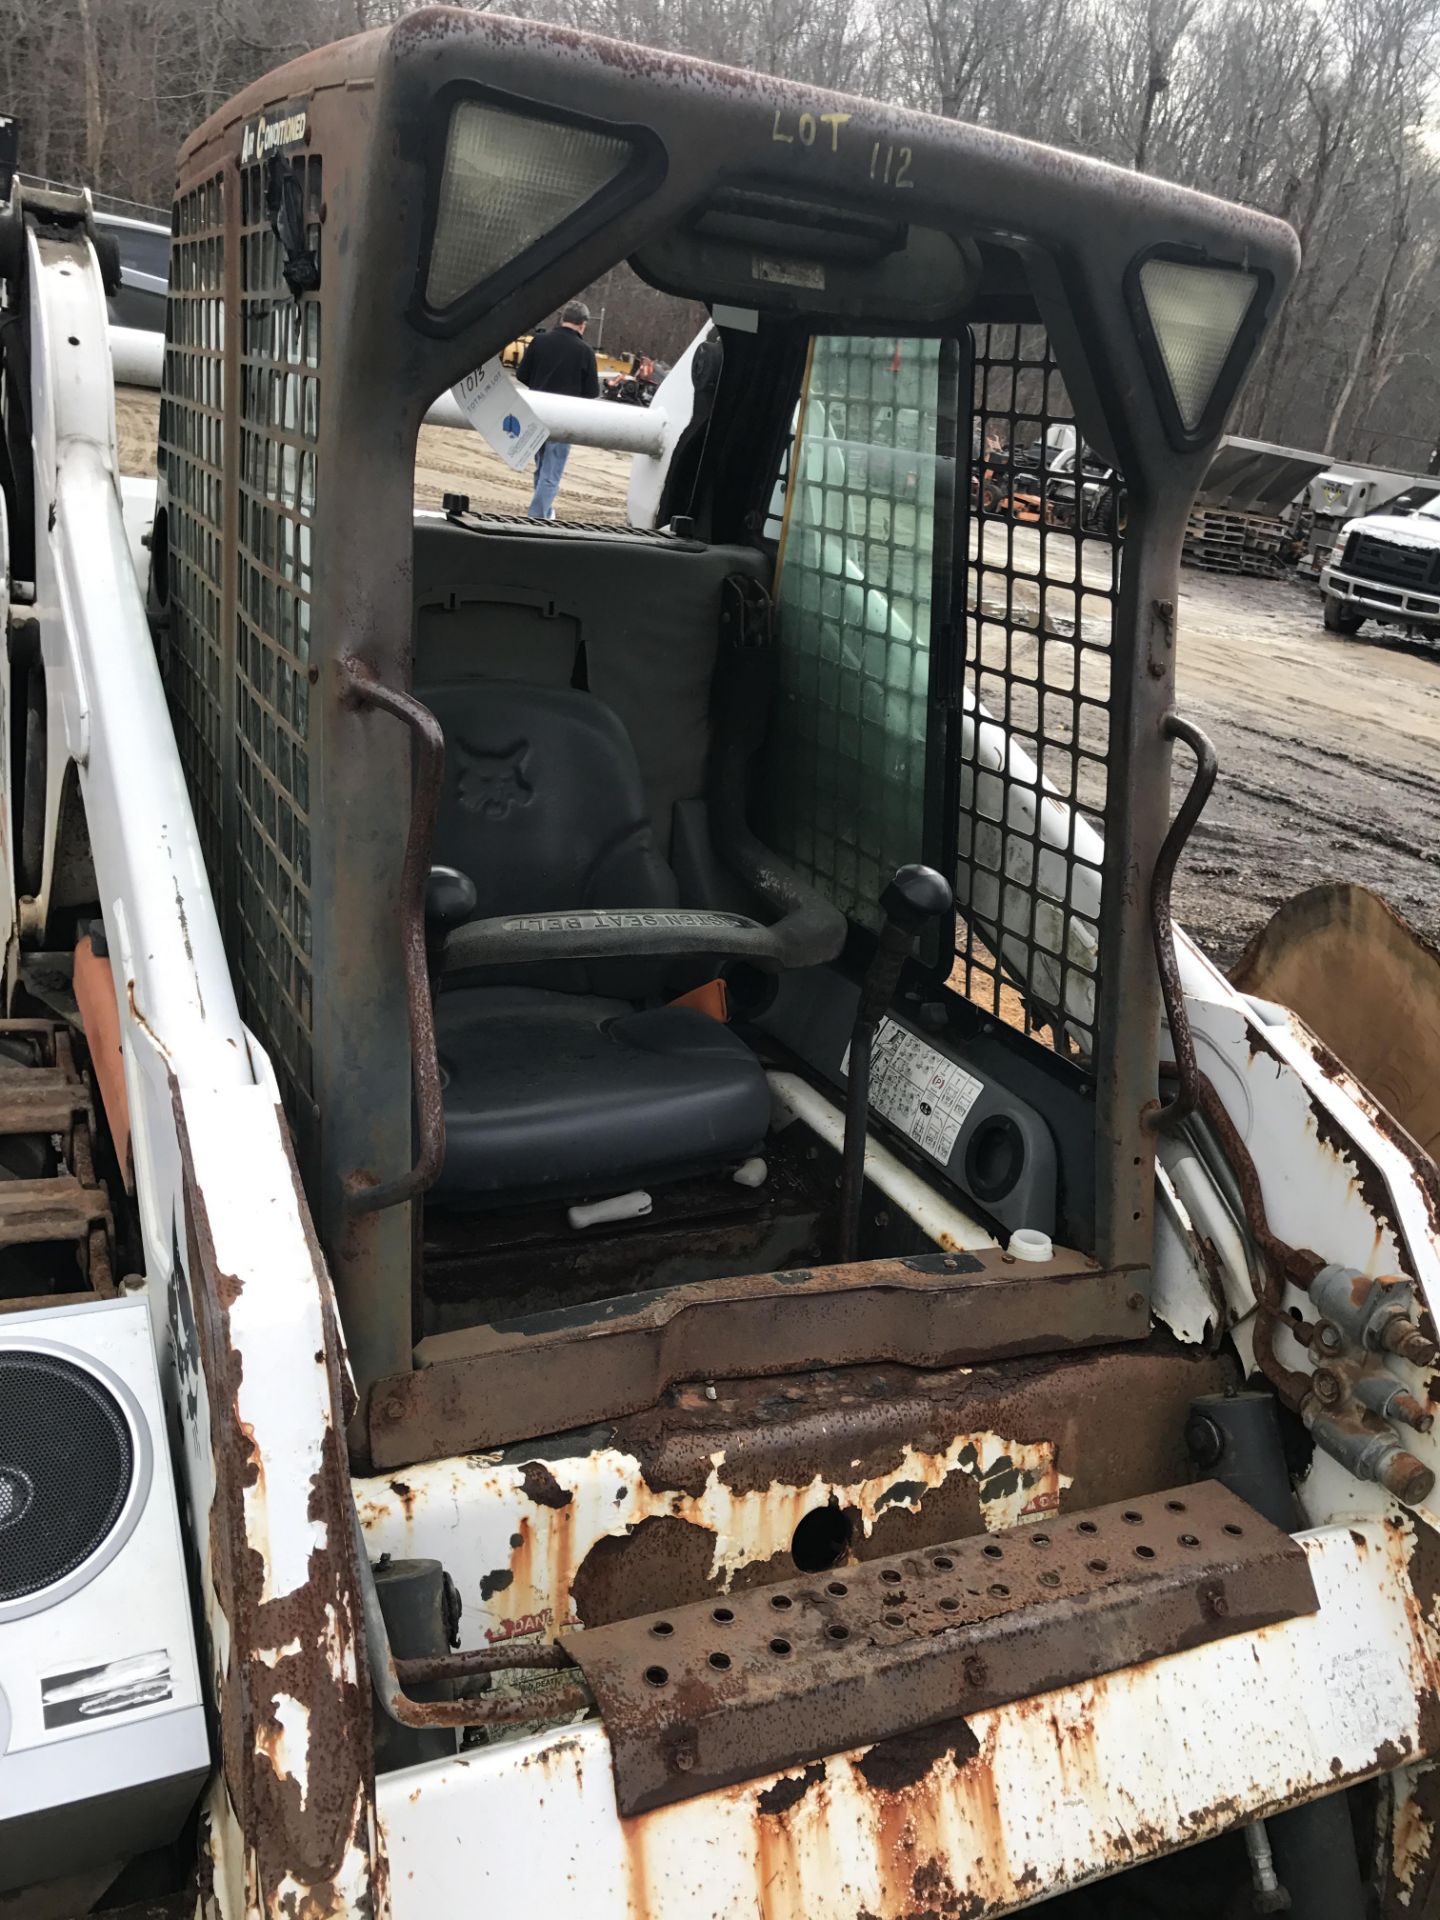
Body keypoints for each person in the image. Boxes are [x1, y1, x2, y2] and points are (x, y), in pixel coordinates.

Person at [515, 301, 599, 519]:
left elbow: (521, 374)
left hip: (536, 411)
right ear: (583, 325)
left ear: (563, 319)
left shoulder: (539, 341)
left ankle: (544, 510)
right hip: (564, 417)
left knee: (541, 467)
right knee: (551, 473)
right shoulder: (585, 352)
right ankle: (538, 516)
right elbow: (591, 392)